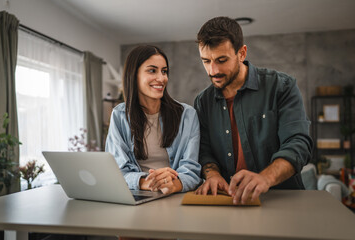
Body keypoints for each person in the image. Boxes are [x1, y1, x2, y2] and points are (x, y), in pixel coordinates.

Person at [194, 17, 313, 204]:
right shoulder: (203, 102)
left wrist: (265, 177)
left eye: (221, 60)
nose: (212, 70)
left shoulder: (281, 87)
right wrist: (212, 174)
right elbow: (203, 149)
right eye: (206, 61)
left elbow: (298, 144)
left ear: (242, 53)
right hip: (227, 203)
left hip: (281, 201)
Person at [106, 45, 201, 197]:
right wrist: (147, 183)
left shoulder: (187, 115)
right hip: (137, 195)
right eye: (152, 70)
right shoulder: (119, 115)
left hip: (174, 196)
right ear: (134, 75)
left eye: (164, 71)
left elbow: (192, 170)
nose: (162, 78)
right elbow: (118, 170)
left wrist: (173, 185)